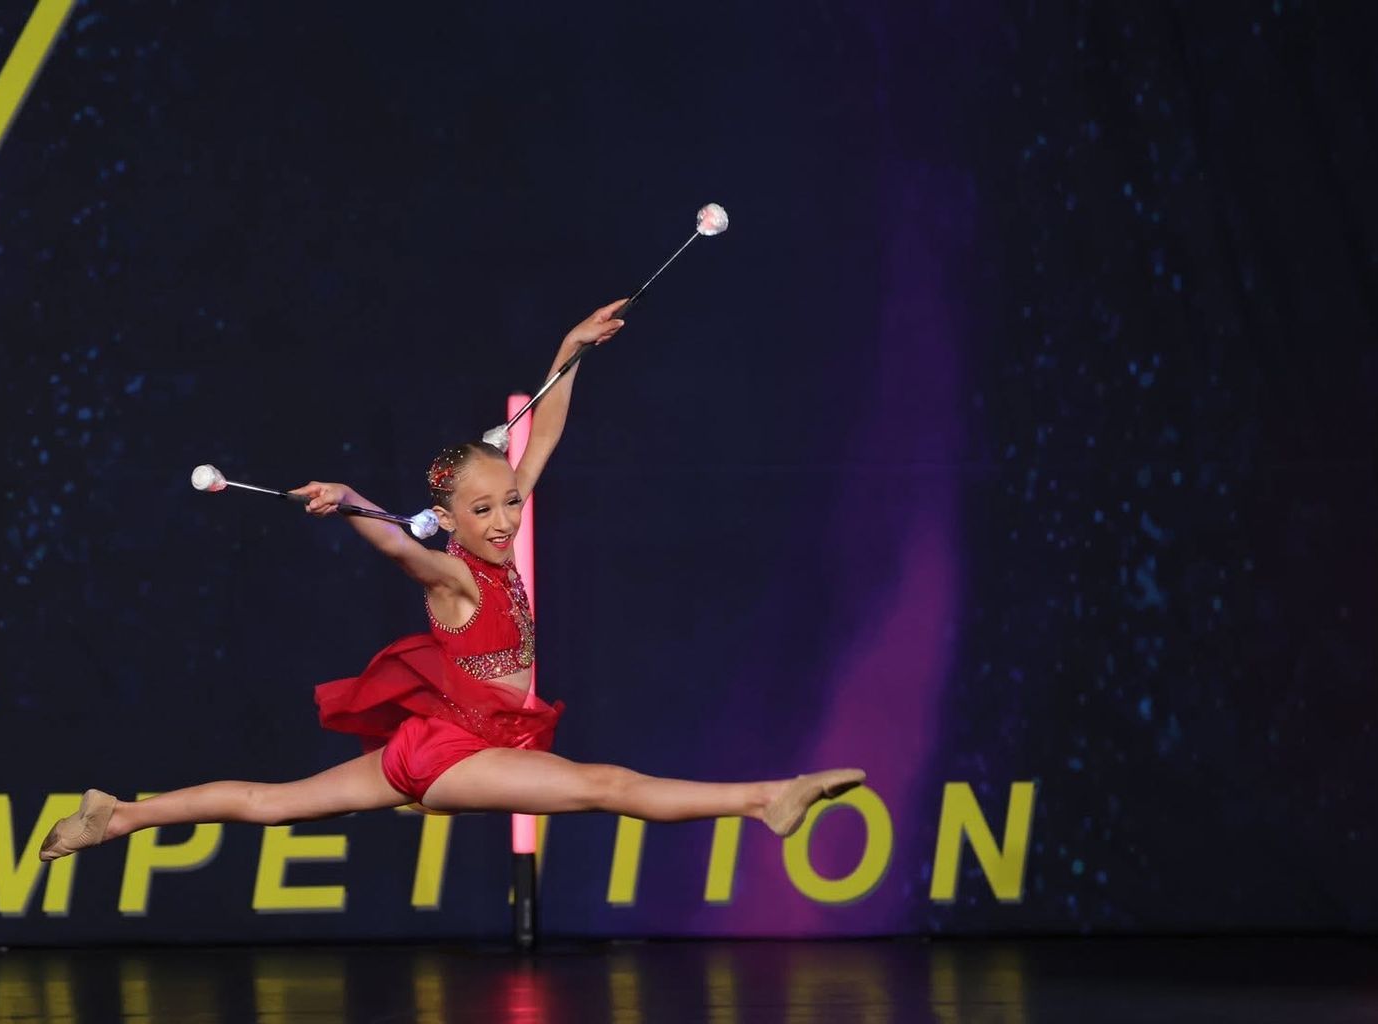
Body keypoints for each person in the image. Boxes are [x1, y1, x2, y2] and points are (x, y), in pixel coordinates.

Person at [42, 301, 863, 861]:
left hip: (446, 741)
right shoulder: (456, 578)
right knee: (605, 786)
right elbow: (400, 549)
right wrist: (353, 500)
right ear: (452, 519)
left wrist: (568, 352)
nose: (507, 519)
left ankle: (117, 814)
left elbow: (540, 438)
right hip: (455, 751)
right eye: (486, 509)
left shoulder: (499, 531)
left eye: (510, 502)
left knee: (271, 801)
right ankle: (766, 798)